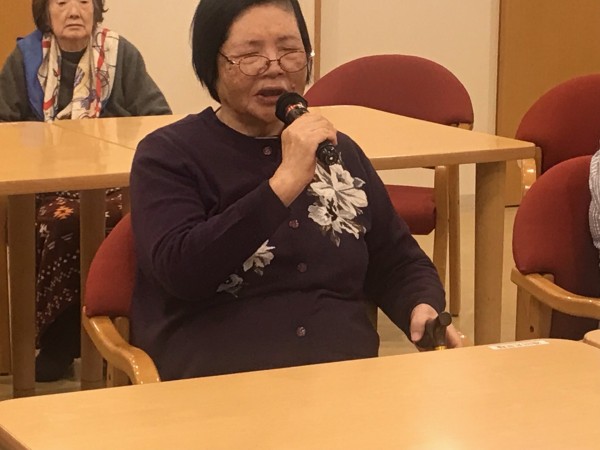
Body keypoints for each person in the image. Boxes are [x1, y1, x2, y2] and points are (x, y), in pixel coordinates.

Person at [129, 0, 460, 382]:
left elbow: (397, 259)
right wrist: (284, 183)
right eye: (250, 55)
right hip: (221, 385)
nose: (275, 67)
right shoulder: (169, 155)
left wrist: (420, 306)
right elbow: (181, 272)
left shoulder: (339, 151)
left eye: (289, 50)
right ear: (211, 63)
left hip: (343, 381)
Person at [0, 0, 172, 381]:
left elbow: (158, 118)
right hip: (46, 185)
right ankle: (59, 342)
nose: (74, 11)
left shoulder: (121, 55)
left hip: (109, 183)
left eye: (84, 1)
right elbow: (3, 125)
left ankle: (121, 340)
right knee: (62, 223)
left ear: (96, 10)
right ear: (46, 13)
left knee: (121, 222)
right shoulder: (24, 59)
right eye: (62, 2)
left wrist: (108, 131)